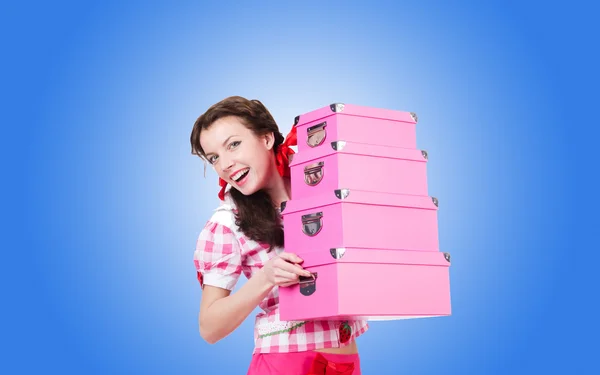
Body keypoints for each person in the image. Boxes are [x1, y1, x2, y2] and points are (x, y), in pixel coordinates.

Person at [190, 96, 368, 374]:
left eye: (233, 144)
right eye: (214, 157)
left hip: (346, 362)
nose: (225, 164)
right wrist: (266, 277)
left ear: (267, 138)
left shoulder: (324, 187)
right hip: (285, 363)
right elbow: (209, 328)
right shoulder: (226, 223)